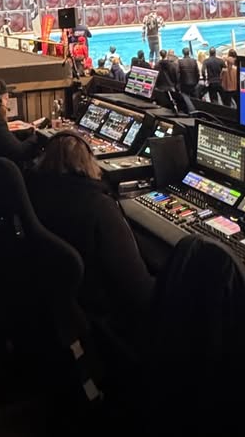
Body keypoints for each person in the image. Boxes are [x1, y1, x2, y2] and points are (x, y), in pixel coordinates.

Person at [27, 133, 153, 348]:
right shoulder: (99, 207)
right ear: (89, 163)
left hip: (54, 300)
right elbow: (138, 289)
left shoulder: (31, 190)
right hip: (100, 312)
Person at [0, 76, 41, 167]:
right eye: (6, 99)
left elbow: (4, 138)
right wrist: (37, 136)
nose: (6, 105)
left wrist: (25, 133)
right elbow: (20, 152)